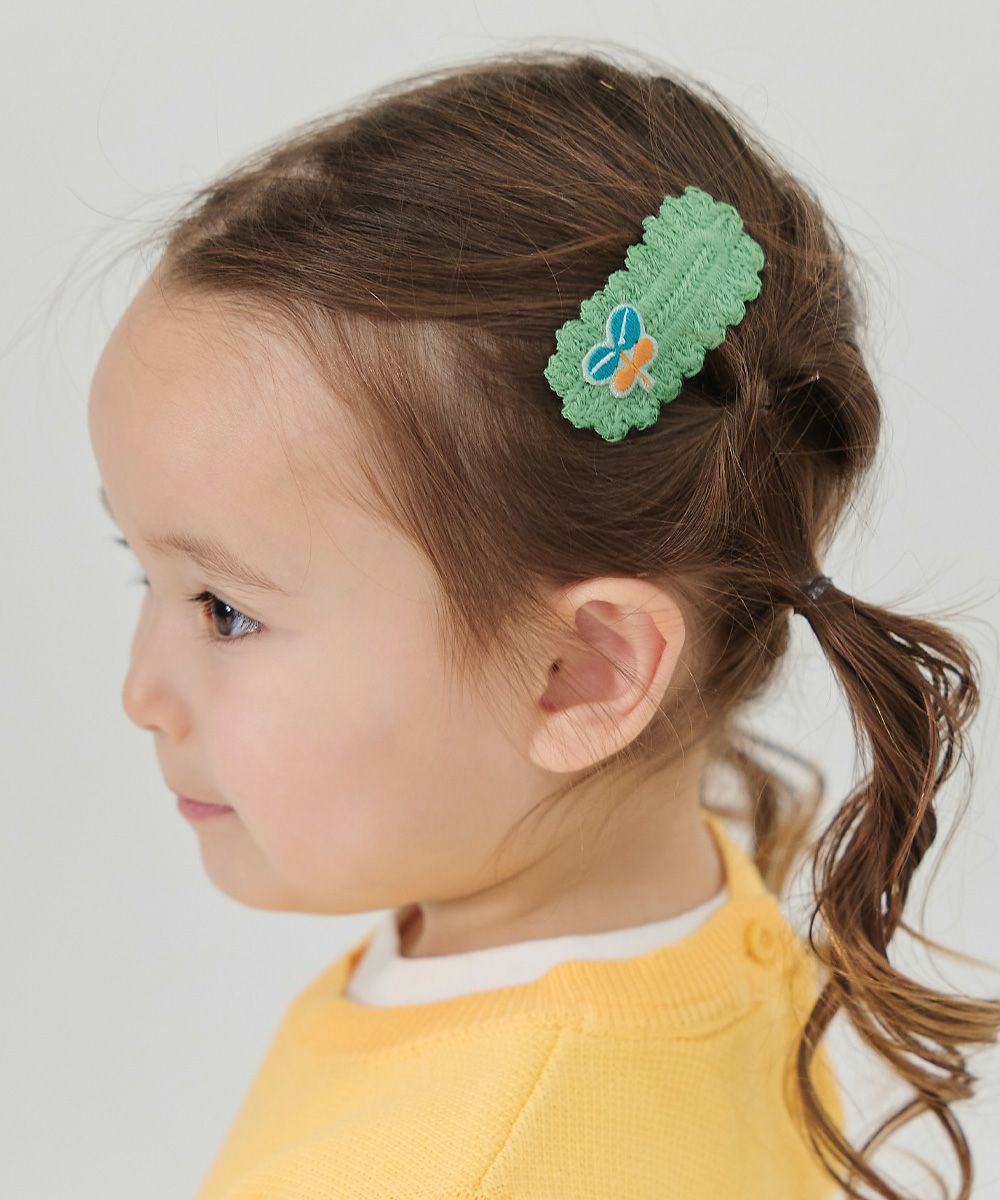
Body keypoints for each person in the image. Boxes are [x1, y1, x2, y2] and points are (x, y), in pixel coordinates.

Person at [87, 47, 998, 1200]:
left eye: (225, 611)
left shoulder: (448, 1168)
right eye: (142, 571)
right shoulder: (702, 932)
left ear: (580, 670)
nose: (140, 693)